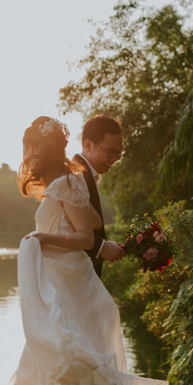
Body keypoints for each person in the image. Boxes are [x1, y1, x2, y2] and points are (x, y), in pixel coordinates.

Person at [0, 116, 171, 385]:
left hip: (68, 285)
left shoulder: (64, 181)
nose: (24, 154)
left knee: (58, 359)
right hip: (62, 280)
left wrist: (43, 238)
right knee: (39, 363)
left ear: (37, 149)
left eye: (27, 148)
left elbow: (86, 239)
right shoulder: (68, 181)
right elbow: (90, 221)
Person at [72, 115, 126, 277]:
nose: (115, 159)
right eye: (110, 152)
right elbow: (65, 229)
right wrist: (101, 247)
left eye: (119, 153)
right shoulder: (74, 177)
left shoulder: (87, 176)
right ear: (88, 145)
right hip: (71, 278)